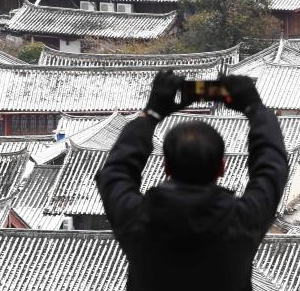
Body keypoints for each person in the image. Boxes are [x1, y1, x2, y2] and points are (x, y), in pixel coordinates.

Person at [96, 69, 289, 291]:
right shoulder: (243, 220)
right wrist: (254, 108)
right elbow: (272, 165)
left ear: (165, 166)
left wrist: (151, 114)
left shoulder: (137, 218)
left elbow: (115, 171)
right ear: (222, 167)